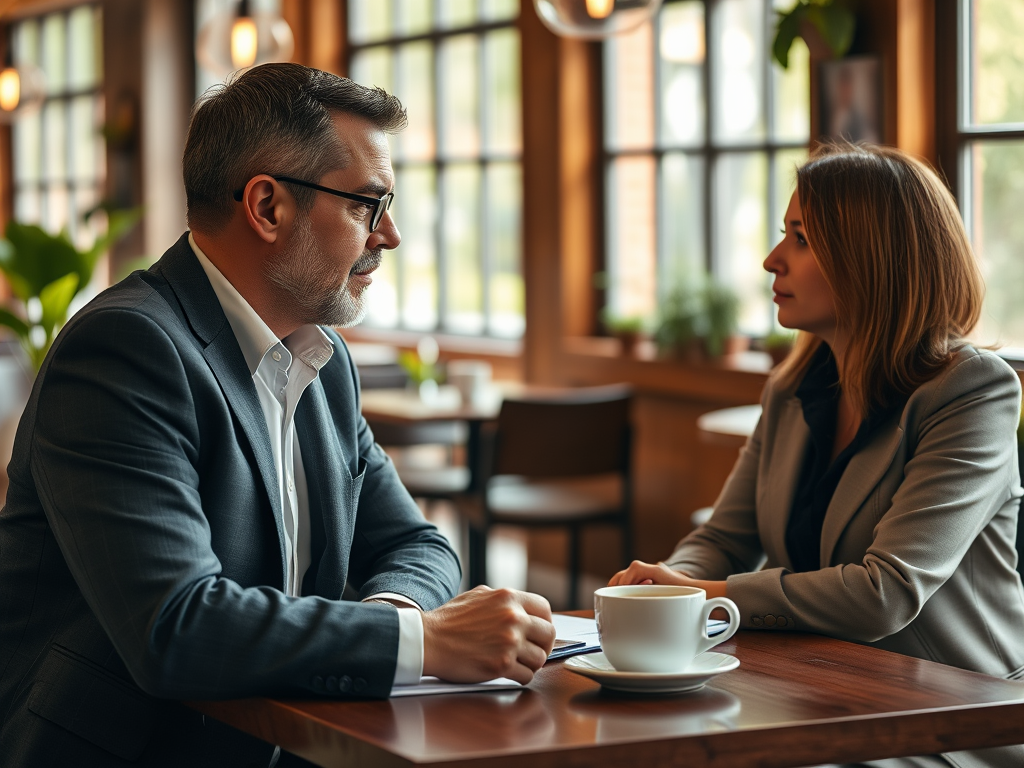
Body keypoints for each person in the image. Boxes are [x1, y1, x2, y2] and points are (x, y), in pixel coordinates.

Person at [0, 63, 555, 767]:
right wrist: (426, 643)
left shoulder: (322, 363)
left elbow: (419, 547)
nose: (390, 237)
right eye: (368, 205)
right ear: (267, 207)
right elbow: (175, 627)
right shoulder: (125, 350)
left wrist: (390, 622)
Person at [611, 143, 1024, 768]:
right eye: (784, 235)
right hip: (819, 693)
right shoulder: (791, 388)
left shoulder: (972, 392)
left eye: (801, 239)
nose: (771, 259)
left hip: (953, 718)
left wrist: (702, 593)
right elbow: (722, 538)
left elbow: (885, 592)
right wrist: (662, 596)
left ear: (871, 259)